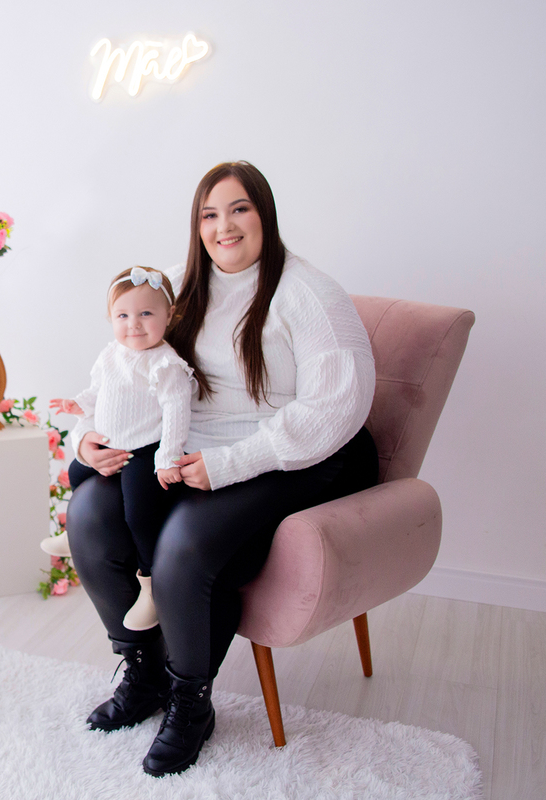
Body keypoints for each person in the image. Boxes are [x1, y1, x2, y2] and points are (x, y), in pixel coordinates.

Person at [65, 161, 379, 777]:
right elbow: (122, 372)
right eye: (209, 215)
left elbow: (335, 409)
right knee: (89, 512)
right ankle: (145, 674)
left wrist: (230, 465)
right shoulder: (180, 287)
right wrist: (85, 440)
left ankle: (191, 703)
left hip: (289, 457)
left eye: (239, 209)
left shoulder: (310, 294)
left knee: (183, 545)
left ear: (265, 214)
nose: (223, 227)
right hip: (189, 451)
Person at [46, 266, 193, 631]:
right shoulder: (112, 353)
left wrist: (167, 458)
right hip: (113, 444)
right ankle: (73, 534)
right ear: (110, 318)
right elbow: (99, 391)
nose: (134, 325)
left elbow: (177, 413)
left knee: (139, 513)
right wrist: (78, 404)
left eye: (146, 313)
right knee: (77, 471)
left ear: (169, 315)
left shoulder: (165, 364)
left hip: (145, 450)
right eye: (123, 316)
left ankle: (151, 587)